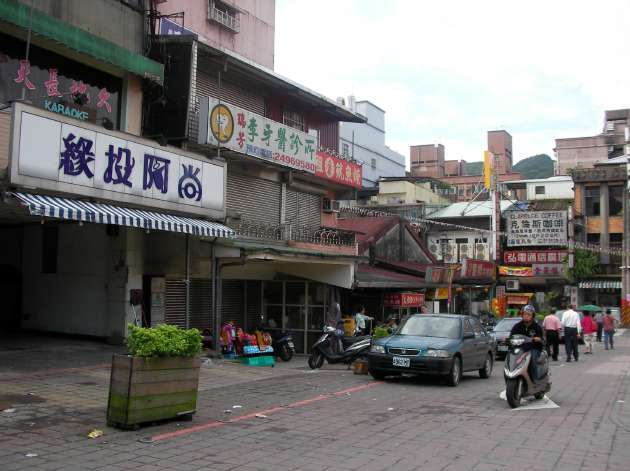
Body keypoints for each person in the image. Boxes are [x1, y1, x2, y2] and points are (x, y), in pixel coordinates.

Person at [509, 305, 545, 381]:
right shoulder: (517, 326)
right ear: (522, 315)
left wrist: (539, 339)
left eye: (529, 314)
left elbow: (542, 340)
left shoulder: (537, 327)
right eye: (525, 314)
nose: (526, 316)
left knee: (533, 358)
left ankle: (535, 380)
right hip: (520, 348)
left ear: (533, 316)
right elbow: (511, 336)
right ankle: (509, 375)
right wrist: (507, 340)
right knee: (510, 357)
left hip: (533, 348)